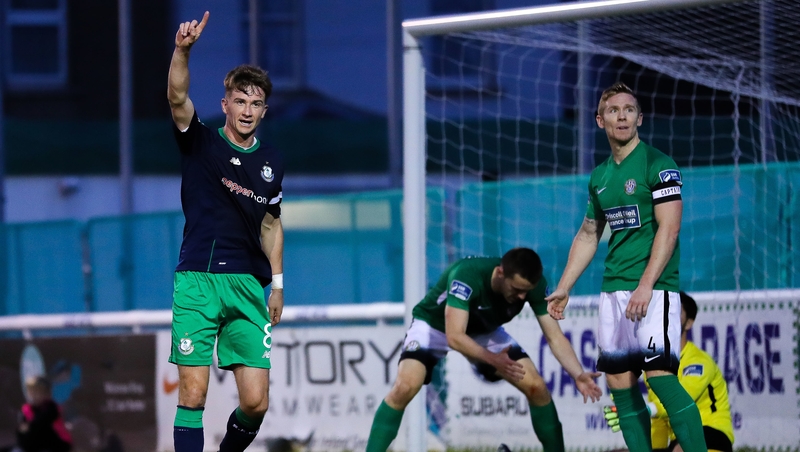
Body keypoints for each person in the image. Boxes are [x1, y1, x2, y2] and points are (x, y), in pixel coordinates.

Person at [545, 82, 707, 452]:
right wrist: (565, 286)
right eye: (615, 110)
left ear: (640, 118)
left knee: (660, 378)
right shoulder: (599, 177)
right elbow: (589, 234)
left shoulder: (659, 165)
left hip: (653, 288)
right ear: (601, 120)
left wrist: (647, 285)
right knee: (619, 382)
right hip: (612, 290)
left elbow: (671, 228)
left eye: (630, 109)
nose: (623, 115)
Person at [167, 11, 285, 452]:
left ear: (264, 110)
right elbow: (178, 96)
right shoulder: (200, 141)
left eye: (256, 104)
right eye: (240, 101)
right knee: (193, 394)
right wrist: (183, 50)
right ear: (226, 104)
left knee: (255, 402)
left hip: (249, 286)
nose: (248, 111)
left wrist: (277, 284)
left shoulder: (272, 161)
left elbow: (272, 223)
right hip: (197, 280)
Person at [366, 248, 603, 452]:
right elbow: (454, 336)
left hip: (484, 331)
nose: (521, 297)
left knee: (537, 387)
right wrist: (493, 360)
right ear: (500, 273)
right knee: (405, 387)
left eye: (526, 291)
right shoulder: (467, 275)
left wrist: (578, 374)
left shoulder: (534, 286)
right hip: (435, 327)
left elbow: (554, 336)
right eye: (516, 289)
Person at [604, 292, 734, 452]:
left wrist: (645, 410)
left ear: (689, 323)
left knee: (682, 446)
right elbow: (659, 422)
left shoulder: (699, 361)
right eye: (665, 309)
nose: (668, 315)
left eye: (676, 311)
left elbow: (681, 399)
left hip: (711, 433)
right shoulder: (654, 363)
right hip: (677, 439)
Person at [15, 376, 72, 452]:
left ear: (47, 394)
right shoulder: (26, 409)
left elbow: (40, 424)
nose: (34, 395)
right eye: (32, 391)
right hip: (34, 445)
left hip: (57, 445)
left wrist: (29, 426)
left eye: (38, 392)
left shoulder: (52, 408)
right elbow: (21, 431)